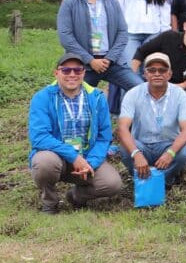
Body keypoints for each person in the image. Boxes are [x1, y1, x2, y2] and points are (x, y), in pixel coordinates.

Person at [28, 53, 123, 213]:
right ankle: (50, 203)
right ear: (56, 73)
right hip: (55, 157)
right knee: (44, 163)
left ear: (83, 73)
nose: (72, 74)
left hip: (85, 158)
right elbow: (39, 137)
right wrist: (73, 156)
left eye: (77, 70)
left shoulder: (97, 98)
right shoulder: (42, 97)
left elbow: (103, 137)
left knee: (113, 183)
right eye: (66, 70)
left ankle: (75, 196)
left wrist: (90, 163)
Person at [57, 0, 143, 116]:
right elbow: (65, 36)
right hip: (83, 64)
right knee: (71, 99)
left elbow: (122, 32)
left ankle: (133, 128)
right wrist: (90, 60)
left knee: (141, 89)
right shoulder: (69, 4)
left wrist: (109, 58)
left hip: (112, 62)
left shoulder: (113, 3)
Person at [117, 52, 186, 188]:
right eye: (151, 70)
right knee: (125, 149)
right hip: (142, 144)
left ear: (169, 74)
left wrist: (170, 153)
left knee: (184, 153)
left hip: (167, 145)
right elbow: (122, 128)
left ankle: (159, 181)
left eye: (162, 70)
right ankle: (144, 178)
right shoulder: (133, 94)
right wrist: (136, 153)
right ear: (145, 74)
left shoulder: (180, 94)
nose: (157, 73)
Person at [132, 13, 186, 111]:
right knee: (133, 85)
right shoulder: (168, 36)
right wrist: (133, 76)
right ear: (185, 26)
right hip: (156, 82)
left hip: (178, 89)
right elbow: (141, 51)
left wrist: (179, 86)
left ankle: (180, 121)